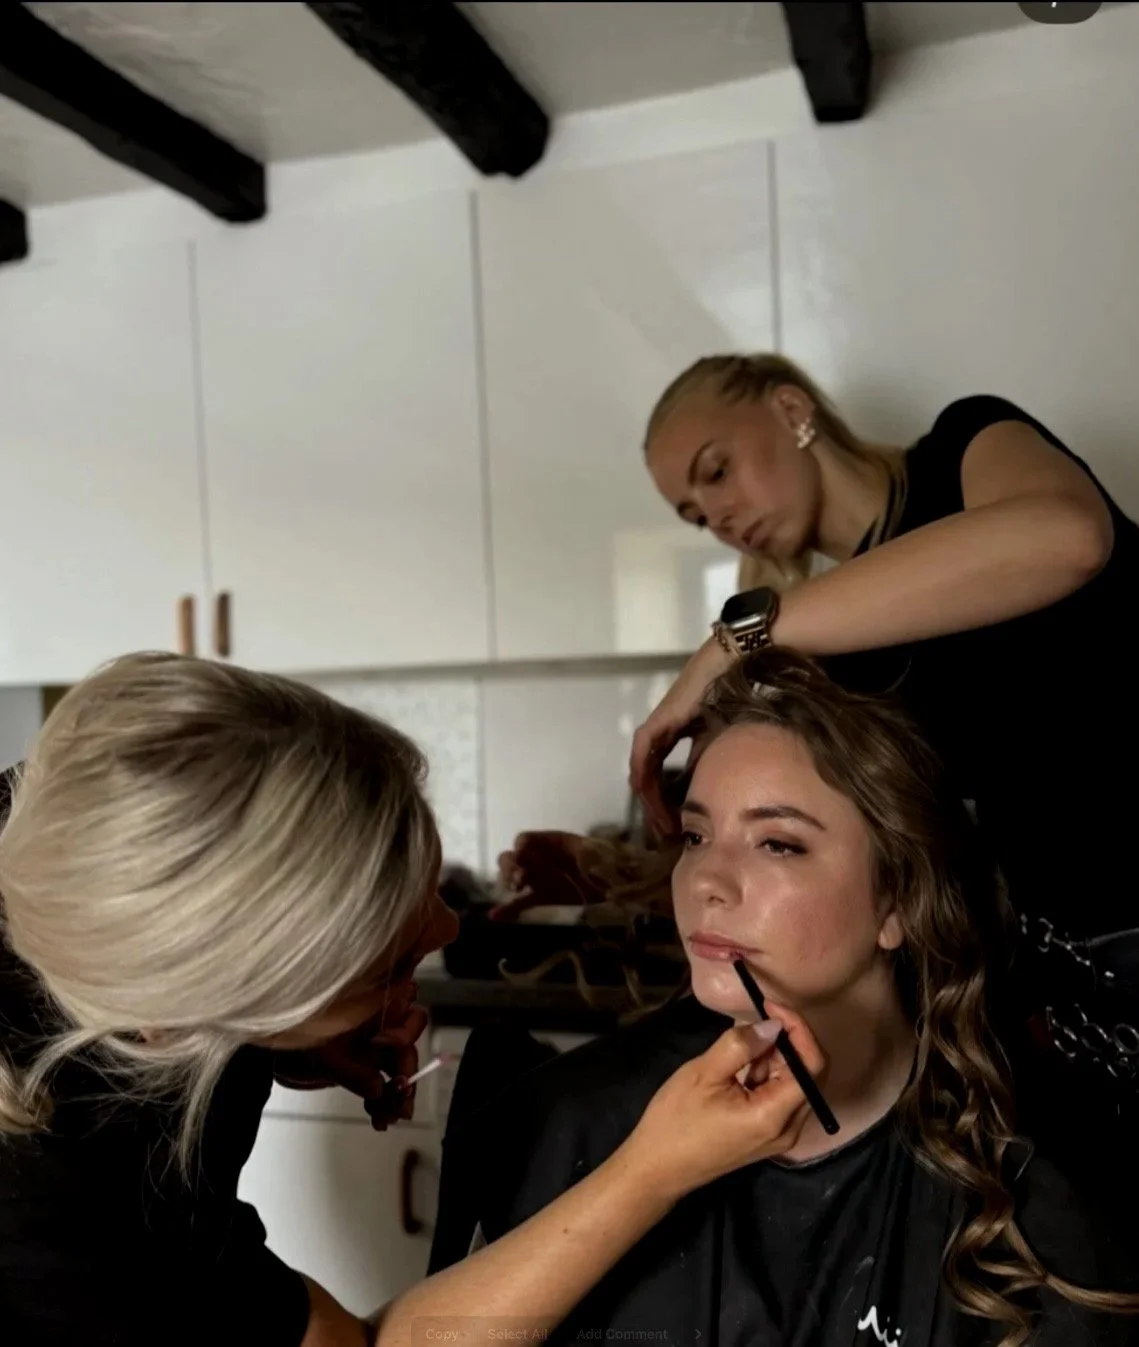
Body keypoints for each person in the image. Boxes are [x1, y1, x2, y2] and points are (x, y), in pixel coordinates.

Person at [0, 651, 823, 1347]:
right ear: (224, 1006)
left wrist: (307, 1040)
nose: (441, 924)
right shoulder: (70, 1217)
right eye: (389, 956)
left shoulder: (100, 814)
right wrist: (652, 1169)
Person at [440, 651, 1139, 1347]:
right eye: (694, 835)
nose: (707, 880)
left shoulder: (1027, 1218)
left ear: (896, 899)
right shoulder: (568, 1126)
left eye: (777, 844)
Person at [627, 353, 1139, 1201]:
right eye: (692, 513)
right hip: (1072, 992)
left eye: (715, 471)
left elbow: (1068, 537)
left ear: (791, 408)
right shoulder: (843, 649)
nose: (716, 514)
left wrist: (733, 638)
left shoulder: (966, 447)